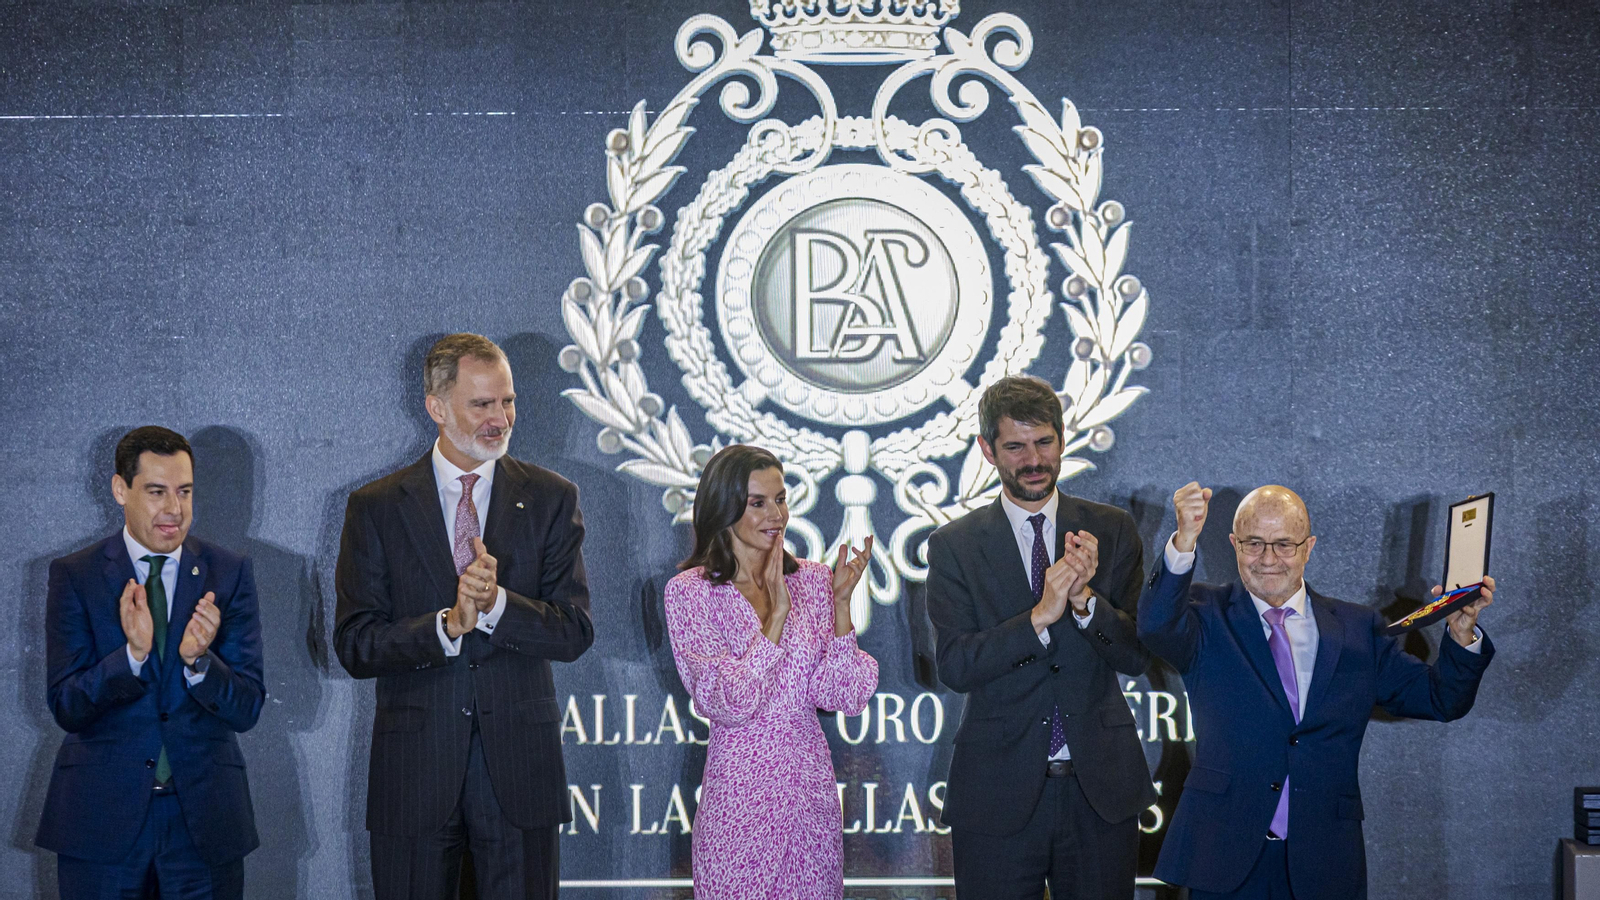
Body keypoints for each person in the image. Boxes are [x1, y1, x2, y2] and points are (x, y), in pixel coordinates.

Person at [1140, 482, 1496, 900]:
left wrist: (1462, 633)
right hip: (1226, 857)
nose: (1268, 559)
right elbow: (1155, 626)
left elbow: (1442, 698)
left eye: (1284, 545)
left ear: (1309, 547)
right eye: (1254, 543)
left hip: (1324, 862)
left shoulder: (1358, 629)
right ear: (1234, 544)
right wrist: (1184, 539)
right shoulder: (1206, 614)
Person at [334, 333, 594, 900]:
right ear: (437, 407)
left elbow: (574, 629)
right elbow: (356, 644)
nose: (499, 418)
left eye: (508, 401)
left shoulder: (551, 498)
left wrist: (496, 606)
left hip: (520, 776)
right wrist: (448, 625)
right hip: (414, 776)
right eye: (482, 404)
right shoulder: (375, 507)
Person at [925, 375, 1156, 900]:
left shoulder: (1112, 529)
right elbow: (956, 666)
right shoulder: (953, 546)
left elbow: (1138, 655)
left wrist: (1083, 602)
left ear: (1062, 438)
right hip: (996, 794)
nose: (1034, 459)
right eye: (1015, 446)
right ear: (987, 450)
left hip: (1100, 792)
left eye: (1044, 442)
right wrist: (1039, 617)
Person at [37, 426, 265, 899]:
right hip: (101, 826)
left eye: (184, 492)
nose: (174, 510)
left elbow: (247, 707)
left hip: (203, 828)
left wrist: (201, 662)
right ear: (121, 489)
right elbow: (66, 705)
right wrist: (132, 656)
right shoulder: (75, 575)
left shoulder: (229, 572)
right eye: (156, 492)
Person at [663, 444, 878, 900]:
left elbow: (843, 695)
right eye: (757, 503)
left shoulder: (817, 580)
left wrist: (841, 607)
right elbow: (729, 703)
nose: (775, 514)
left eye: (780, 499)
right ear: (724, 508)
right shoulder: (690, 594)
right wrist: (776, 618)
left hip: (809, 803)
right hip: (739, 807)